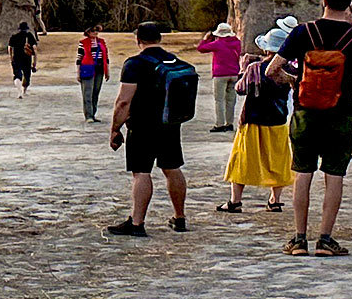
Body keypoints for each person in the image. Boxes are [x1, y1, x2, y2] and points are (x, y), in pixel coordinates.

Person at [268, 0, 352, 257]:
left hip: (305, 112)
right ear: (350, 4)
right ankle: (326, 239)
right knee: (334, 177)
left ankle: (298, 239)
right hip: (341, 113)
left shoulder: (303, 32)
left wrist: (295, 83)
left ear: (324, 0)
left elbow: (272, 70)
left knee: (303, 174)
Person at [106, 23, 193, 237]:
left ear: (138, 40)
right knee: (172, 168)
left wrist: (115, 129)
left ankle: (137, 223)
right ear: (159, 38)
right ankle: (179, 217)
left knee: (141, 172)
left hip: (143, 126)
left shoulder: (134, 64)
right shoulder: (173, 60)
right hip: (170, 123)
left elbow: (124, 102)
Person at [218, 20, 296, 213]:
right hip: (277, 120)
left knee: (242, 160)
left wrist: (244, 69)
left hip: (252, 120)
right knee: (278, 161)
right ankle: (275, 200)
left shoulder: (255, 68)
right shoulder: (290, 70)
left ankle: (235, 201)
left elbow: (240, 89)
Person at [196, 24, 245, 133]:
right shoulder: (237, 43)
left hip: (220, 74)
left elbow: (201, 49)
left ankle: (219, 124)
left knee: (219, 100)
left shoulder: (217, 44)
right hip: (234, 73)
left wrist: (206, 39)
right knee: (231, 100)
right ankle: (230, 123)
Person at [76, 26, 111, 122]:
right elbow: (79, 58)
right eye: (93, 31)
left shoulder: (102, 42)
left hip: (99, 68)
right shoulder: (83, 43)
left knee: (96, 91)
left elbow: (106, 57)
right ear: (88, 32)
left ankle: (93, 113)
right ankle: (88, 115)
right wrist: (78, 72)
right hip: (87, 68)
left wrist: (107, 70)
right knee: (87, 92)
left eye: (96, 30)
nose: (95, 32)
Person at [7, 22, 38, 98]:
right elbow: (35, 49)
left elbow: (10, 48)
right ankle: (24, 91)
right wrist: (34, 63)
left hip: (16, 58)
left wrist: (11, 58)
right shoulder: (29, 36)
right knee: (27, 75)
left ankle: (19, 91)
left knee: (17, 75)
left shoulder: (14, 37)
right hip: (27, 59)